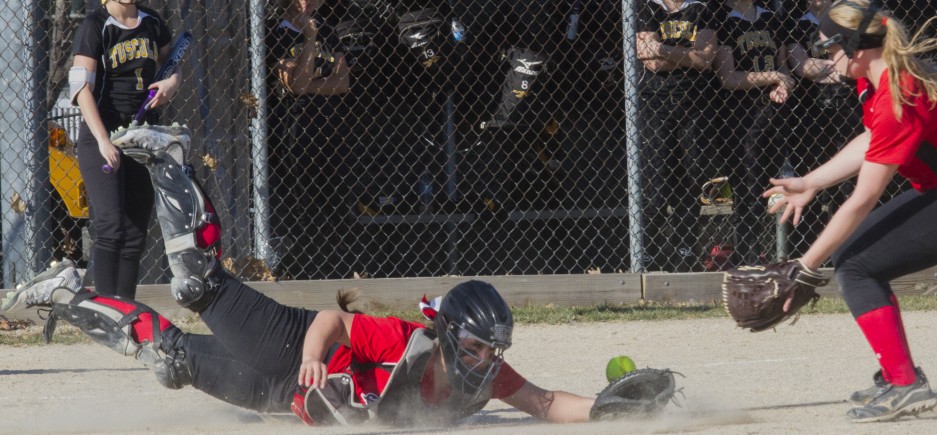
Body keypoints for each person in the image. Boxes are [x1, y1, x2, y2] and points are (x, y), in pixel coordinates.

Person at [0, 125, 609, 428]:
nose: (486, 359)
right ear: (447, 333)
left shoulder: (486, 377)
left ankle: (67, 292)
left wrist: (610, 409)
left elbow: (547, 402)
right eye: (479, 345)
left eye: (492, 348)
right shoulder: (409, 343)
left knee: (172, 362)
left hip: (279, 395)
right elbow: (334, 320)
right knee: (195, 287)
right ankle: (170, 161)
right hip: (290, 344)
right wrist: (316, 359)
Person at [762, 0, 937, 422]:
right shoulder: (875, 83)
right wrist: (810, 182)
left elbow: (863, 199)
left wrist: (804, 266)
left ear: (856, 47)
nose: (825, 58)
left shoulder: (900, 93)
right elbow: (869, 140)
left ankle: (905, 385)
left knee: (855, 265)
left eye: (829, 49)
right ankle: (900, 375)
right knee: (856, 260)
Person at [70, 0, 181, 299]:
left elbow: (171, 66)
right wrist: (104, 140)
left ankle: (126, 311)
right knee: (111, 226)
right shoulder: (95, 26)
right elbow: (81, 90)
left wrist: (170, 84)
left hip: (141, 134)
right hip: (101, 134)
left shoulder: (152, 22)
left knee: (134, 234)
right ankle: (107, 311)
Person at [266, 0, 351, 278]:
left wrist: (309, 87)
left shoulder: (329, 30)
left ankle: (335, 269)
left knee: (333, 202)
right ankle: (298, 271)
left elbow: (342, 82)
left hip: (328, 130)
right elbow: (296, 83)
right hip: (293, 132)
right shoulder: (273, 32)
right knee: (300, 202)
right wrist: (310, 39)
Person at [710, 0, 798, 265]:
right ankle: (747, 256)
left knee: (769, 184)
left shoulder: (771, 18)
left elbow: (783, 67)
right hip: (741, 116)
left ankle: (767, 253)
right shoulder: (723, 19)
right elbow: (728, 77)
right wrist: (772, 76)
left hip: (773, 112)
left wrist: (784, 84)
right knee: (747, 187)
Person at [634, 0, 717, 272]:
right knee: (654, 184)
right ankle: (647, 254)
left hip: (693, 104)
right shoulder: (644, 6)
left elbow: (705, 59)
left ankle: (685, 252)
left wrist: (662, 49)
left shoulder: (704, 7)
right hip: (653, 104)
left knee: (690, 179)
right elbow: (651, 64)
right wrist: (686, 55)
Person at [784, 0, 864, 258]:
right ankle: (805, 252)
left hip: (848, 107)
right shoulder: (795, 21)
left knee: (849, 184)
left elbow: (851, 67)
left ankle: (848, 249)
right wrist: (838, 69)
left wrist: (826, 69)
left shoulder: (846, 18)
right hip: (810, 112)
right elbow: (803, 66)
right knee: (811, 173)